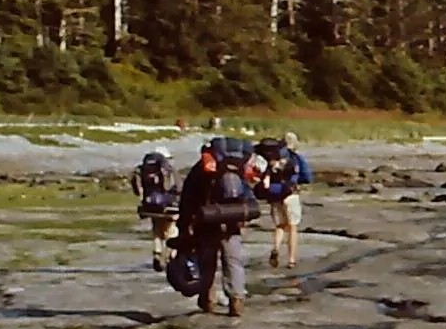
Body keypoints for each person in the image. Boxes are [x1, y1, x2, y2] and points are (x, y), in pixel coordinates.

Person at [175, 138, 262, 317]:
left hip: (206, 220)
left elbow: (188, 198)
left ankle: (208, 298)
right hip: (232, 220)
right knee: (233, 260)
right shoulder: (238, 167)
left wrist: (184, 224)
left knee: (207, 261)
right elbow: (248, 193)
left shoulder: (200, 169)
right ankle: (236, 300)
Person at [253, 133, 312, 269]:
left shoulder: (271, 156)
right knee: (292, 227)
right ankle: (291, 260)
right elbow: (306, 176)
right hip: (290, 193)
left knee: (279, 226)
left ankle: (276, 248)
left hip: (274, 193)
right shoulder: (295, 157)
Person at [132, 148, 177, 272]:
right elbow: (177, 187)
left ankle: (157, 252)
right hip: (168, 205)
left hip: (150, 206)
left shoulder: (143, 169)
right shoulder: (169, 169)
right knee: (171, 230)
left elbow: (137, 189)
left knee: (157, 230)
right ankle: (171, 255)